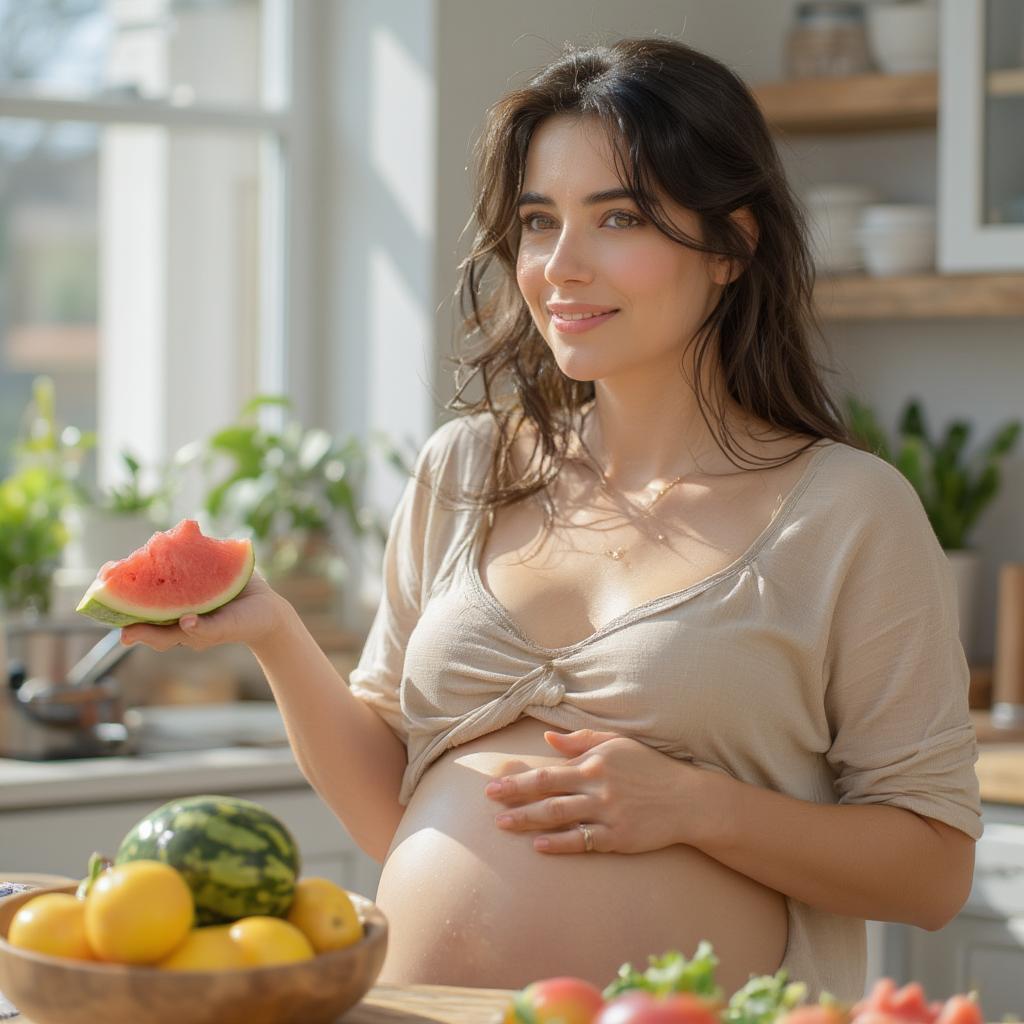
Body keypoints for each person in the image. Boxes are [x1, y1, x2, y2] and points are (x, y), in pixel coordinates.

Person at [122, 37, 980, 1002]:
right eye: (539, 222)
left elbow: (934, 871)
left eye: (617, 218)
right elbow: (393, 818)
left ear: (733, 246)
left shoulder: (848, 511)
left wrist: (698, 808)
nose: (560, 267)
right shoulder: (466, 468)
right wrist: (275, 633)